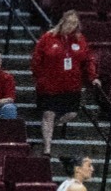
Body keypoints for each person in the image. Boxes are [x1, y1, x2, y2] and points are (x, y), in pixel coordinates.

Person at [32, 9, 95, 154]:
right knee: (48, 113)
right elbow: (37, 60)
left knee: (71, 114)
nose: (71, 26)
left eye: (74, 23)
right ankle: (47, 148)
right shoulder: (48, 38)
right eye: (69, 22)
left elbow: (88, 60)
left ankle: (51, 127)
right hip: (49, 85)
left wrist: (93, 77)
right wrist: (40, 77)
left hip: (71, 86)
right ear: (63, 21)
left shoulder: (80, 40)